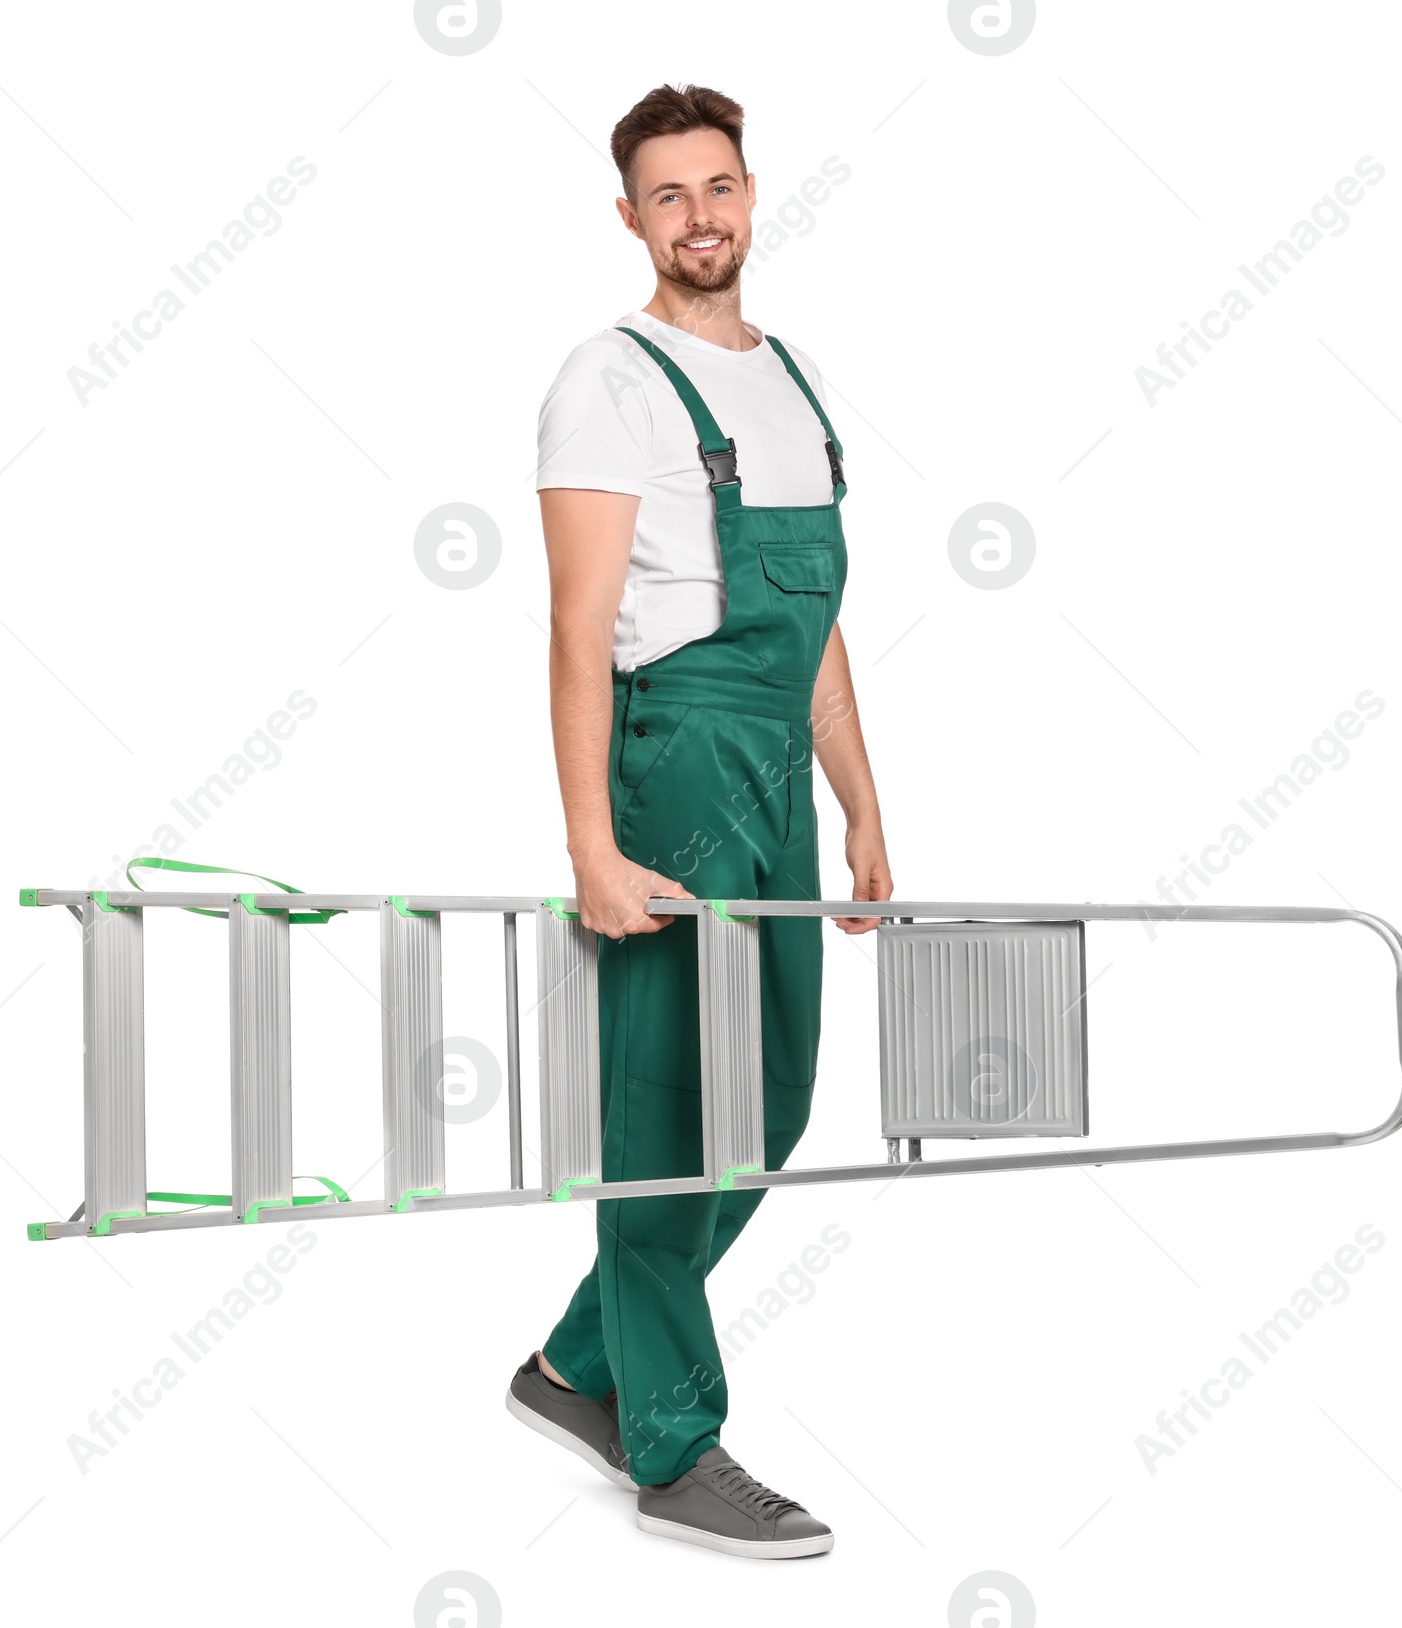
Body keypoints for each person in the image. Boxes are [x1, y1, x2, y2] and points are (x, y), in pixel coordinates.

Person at [505, 82, 892, 1560]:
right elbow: (577, 624)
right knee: (675, 1112)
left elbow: (820, 629)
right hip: (671, 760)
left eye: (718, 186)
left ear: (750, 193)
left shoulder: (788, 379)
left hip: (778, 769)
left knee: (773, 1107)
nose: (700, 216)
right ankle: (673, 1443)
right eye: (668, 196)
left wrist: (863, 809)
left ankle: (575, 1364)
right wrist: (592, 846)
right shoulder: (604, 380)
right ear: (631, 217)